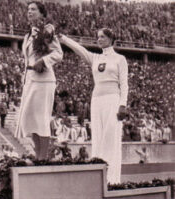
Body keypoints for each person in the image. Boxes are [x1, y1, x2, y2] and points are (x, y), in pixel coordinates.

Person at [59, 28, 128, 184]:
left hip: (113, 100)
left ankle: (112, 180)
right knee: (97, 137)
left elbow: (124, 84)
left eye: (103, 37)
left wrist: (123, 104)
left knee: (111, 138)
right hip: (96, 100)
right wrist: (63, 38)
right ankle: (99, 178)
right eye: (98, 37)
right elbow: (79, 49)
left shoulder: (120, 59)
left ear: (111, 39)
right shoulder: (95, 58)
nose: (99, 39)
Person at [14, 1, 63, 160]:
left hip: (44, 81)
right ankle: (38, 153)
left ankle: (42, 157)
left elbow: (58, 54)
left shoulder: (47, 31)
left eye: (33, 9)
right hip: (30, 79)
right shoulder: (28, 35)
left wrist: (44, 61)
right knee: (28, 119)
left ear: (42, 13)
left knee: (41, 119)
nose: (30, 12)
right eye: (28, 9)